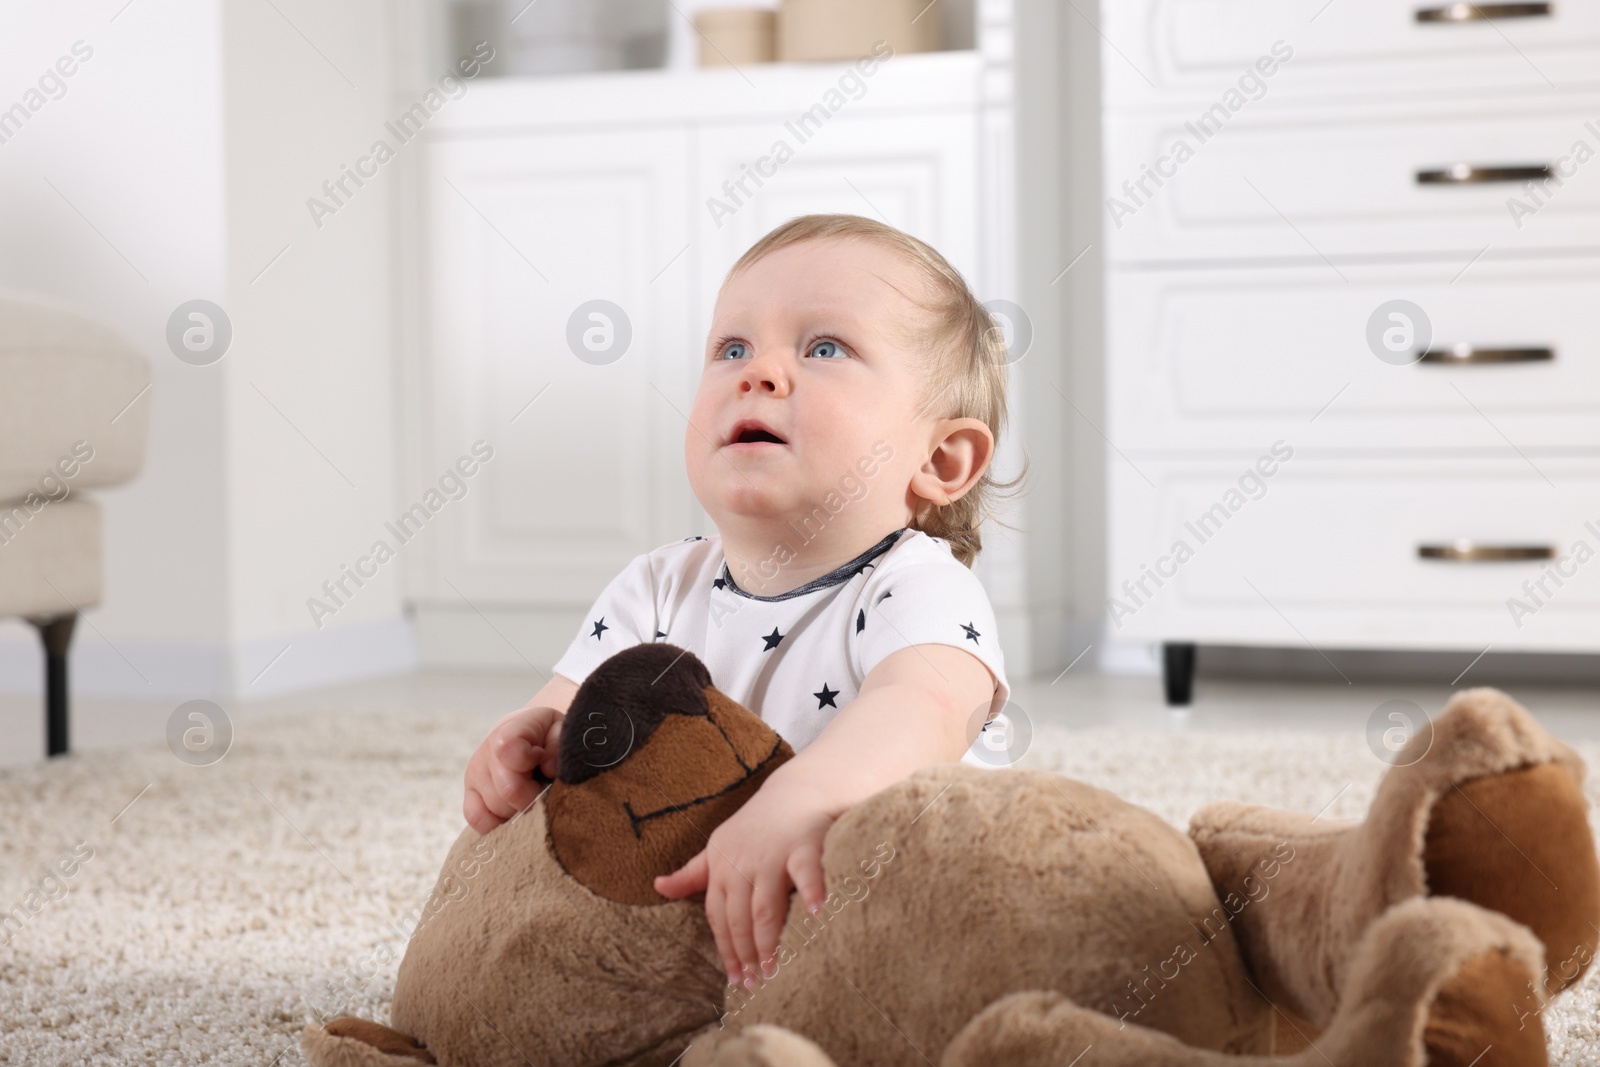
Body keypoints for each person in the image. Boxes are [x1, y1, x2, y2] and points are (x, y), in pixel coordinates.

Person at [462, 213, 1025, 995]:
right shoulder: (656, 585)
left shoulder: (915, 586)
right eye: (732, 348)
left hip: (874, 910)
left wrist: (802, 798)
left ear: (939, 458)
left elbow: (926, 708)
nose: (757, 372)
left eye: (824, 347)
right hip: (691, 921)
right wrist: (527, 738)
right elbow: (574, 711)